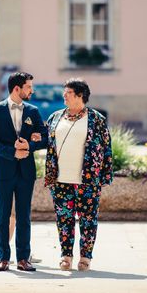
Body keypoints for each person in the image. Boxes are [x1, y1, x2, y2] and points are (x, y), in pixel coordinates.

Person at [42, 78, 113, 271]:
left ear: (80, 95)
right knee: (63, 219)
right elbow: (45, 141)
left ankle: (85, 257)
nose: (64, 95)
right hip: (59, 178)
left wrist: (105, 175)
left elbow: (107, 148)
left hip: (88, 180)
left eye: (68, 93)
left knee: (88, 219)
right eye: (64, 92)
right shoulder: (55, 117)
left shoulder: (96, 119)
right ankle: (66, 255)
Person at [0, 72, 47, 271]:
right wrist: (12, 152)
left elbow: (45, 138)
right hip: (3, 171)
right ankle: (2, 257)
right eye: (29, 87)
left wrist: (29, 146)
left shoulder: (34, 111)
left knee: (24, 215)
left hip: (26, 172)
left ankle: (23, 258)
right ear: (17, 88)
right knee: (2, 214)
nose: (32, 90)